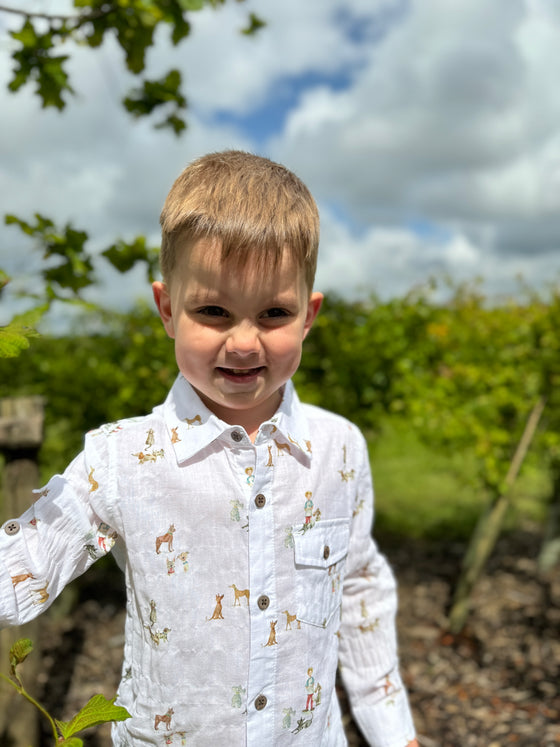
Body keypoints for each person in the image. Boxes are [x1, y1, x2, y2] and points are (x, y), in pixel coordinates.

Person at [0, 151, 419, 746]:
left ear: (309, 316)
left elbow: (357, 588)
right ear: (168, 308)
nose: (244, 342)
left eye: (274, 312)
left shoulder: (339, 449)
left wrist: (390, 727)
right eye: (213, 311)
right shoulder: (121, 458)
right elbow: (23, 571)